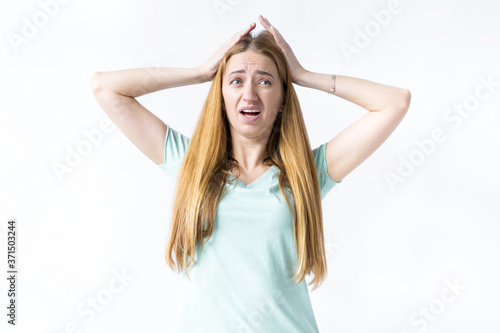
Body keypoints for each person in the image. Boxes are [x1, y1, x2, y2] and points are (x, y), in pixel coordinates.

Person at [92, 15, 410, 333]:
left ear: (282, 99)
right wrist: (200, 73)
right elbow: (106, 88)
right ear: (222, 96)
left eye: (265, 81)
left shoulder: (306, 174)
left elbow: (394, 102)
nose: (250, 93)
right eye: (236, 80)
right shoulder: (189, 164)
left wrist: (302, 75)